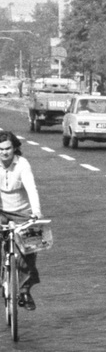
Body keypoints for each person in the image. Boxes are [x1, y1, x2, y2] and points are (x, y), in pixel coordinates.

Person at [0, 130, 43, 310]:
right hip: (2, 211)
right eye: (0, 150)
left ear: (14, 148)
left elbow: (31, 189)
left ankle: (25, 289)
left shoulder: (23, 165)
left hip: (23, 214)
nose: (4, 153)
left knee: (29, 248)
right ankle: (3, 281)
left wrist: (36, 213)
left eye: (8, 149)